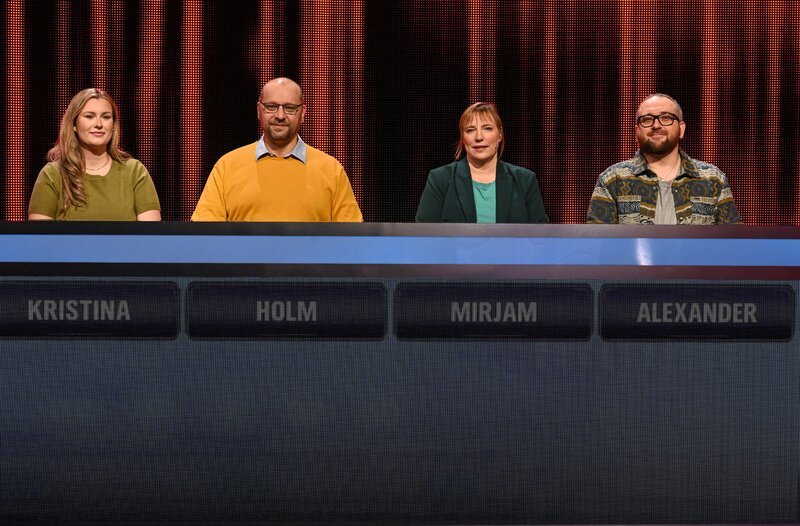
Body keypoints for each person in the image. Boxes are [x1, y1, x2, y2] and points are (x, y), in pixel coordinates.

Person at [192, 77, 362, 222]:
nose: (280, 116)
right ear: (259, 110)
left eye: (290, 108)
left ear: (303, 113)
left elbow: (352, 239)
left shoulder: (331, 170)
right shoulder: (227, 166)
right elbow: (204, 236)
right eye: (271, 107)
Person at [587, 93, 740, 224]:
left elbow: (733, 241)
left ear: (681, 129)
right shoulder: (613, 179)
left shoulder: (712, 179)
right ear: (637, 131)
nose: (656, 125)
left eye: (666, 118)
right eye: (647, 119)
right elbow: (598, 243)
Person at [28, 88, 161, 221]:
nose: (99, 124)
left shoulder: (134, 172)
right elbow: (40, 233)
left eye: (106, 117)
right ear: (74, 124)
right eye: (89, 116)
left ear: (113, 125)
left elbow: (150, 232)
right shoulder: (52, 174)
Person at [415, 102, 548, 223]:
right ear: (463, 137)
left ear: (500, 135)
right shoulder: (440, 179)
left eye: (487, 128)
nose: (479, 137)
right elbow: (423, 234)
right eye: (470, 130)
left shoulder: (525, 180)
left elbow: (541, 236)